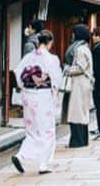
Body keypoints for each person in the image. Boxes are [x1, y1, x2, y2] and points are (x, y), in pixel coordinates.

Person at [11, 29, 63, 174]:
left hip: (28, 95)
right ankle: (43, 164)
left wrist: (24, 87)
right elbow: (57, 80)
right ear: (49, 42)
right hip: (43, 96)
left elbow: (18, 73)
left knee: (32, 131)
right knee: (47, 130)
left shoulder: (28, 57)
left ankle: (20, 156)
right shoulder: (51, 59)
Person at [63, 24, 94, 147]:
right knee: (81, 112)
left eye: (74, 33)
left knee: (76, 112)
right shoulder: (84, 47)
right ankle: (82, 140)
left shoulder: (80, 49)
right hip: (83, 83)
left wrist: (67, 69)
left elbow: (80, 67)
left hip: (79, 83)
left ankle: (77, 141)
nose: (72, 36)